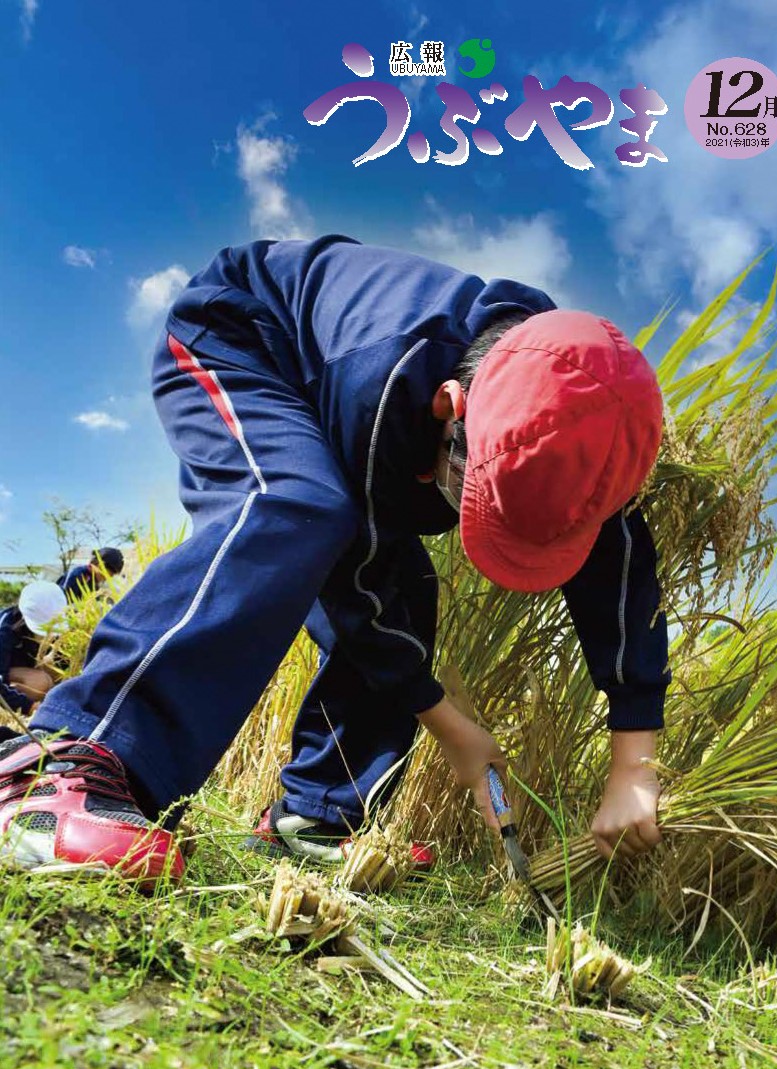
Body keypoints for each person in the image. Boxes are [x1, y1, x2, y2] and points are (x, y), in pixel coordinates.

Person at [0, 236, 669, 883]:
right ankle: (68, 759)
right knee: (297, 506)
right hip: (239, 338)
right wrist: (456, 731)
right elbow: (353, 584)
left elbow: (624, 577)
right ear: (452, 408)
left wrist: (633, 765)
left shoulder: (589, 428)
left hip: (352, 406)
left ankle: (317, 817)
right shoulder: (389, 377)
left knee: (407, 586)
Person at [0, 581, 67, 718]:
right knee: (42, 682)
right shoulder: (5, 632)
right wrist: (30, 707)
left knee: (52, 678)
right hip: (5, 674)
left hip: (21, 669)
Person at [59, 547, 125, 601]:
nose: (106, 579)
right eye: (105, 576)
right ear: (100, 565)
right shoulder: (77, 574)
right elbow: (63, 599)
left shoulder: (94, 580)